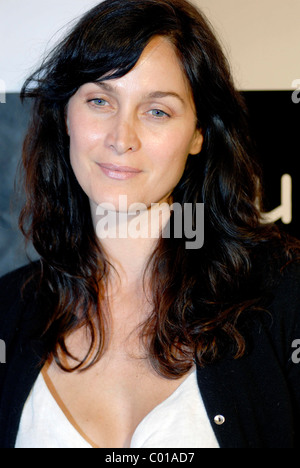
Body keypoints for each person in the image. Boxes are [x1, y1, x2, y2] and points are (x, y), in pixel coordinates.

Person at [0, 0, 299, 449]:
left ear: (199, 133)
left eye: (157, 111)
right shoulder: (7, 309)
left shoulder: (285, 295)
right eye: (100, 101)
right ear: (66, 116)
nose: (123, 139)